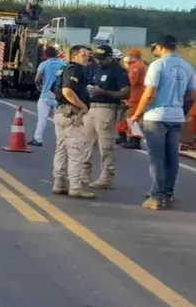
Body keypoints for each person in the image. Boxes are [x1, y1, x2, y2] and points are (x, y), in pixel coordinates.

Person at [128, 35, 196, 210]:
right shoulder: (187, 67)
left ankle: (156, 196)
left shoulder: (158, 65)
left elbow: (149, 93)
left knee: (157, 158)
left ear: (159, 47)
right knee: (172, 157)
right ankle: (168, 193)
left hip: (157, 116)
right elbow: (192, 94)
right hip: (176, 116)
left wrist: (137, 114)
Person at [51, 45, 96, 199]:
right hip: (71, 115)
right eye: (83, 55)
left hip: (61, 112)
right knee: (76, 150)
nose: (87, 58)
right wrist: (82, 105)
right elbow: (67, 91)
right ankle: (75, 187)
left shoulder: (64, 69)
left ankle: (59, 183)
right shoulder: (75, 70)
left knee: (61, 149)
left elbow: (53, 90)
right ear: (75, 56)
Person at [84, 45, 130, 189]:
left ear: (110, 58)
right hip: (91, 107)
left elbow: (126, 93)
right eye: (98, 59)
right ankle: (84, 173)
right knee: (86, 143)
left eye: (102, 59)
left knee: (106, 145)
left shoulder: (119, 72)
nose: (99, 62)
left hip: (106, 108)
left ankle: (106, 177)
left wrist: (103, 92)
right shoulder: (96, 69)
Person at [29, 46, 66, 147]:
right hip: (59, 96)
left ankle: (38, 139)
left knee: (42, 119)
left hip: (45, 95)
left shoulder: (44, 64)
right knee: (59, 121)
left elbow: (37, 79)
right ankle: (61, 141)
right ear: (57, 54)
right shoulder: (63, 64)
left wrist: (39, 86)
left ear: (45, 55)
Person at [117, 48, 148, 149]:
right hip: (139, 93)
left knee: (132, 117)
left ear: (132, 56)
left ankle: (134, 139)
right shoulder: (143, 65)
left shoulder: (135, 67)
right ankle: (133, 138)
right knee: (133, 117)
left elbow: (131, 81)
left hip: (134, 94)